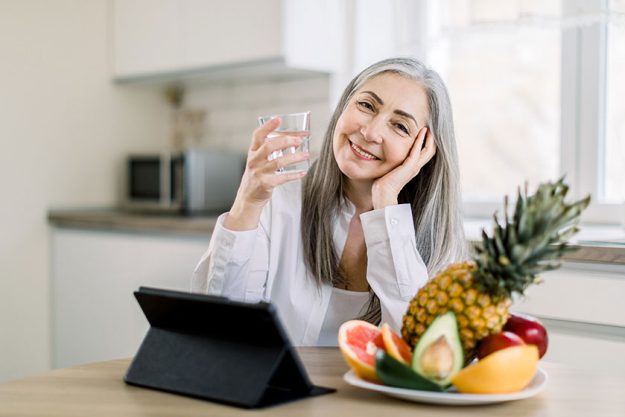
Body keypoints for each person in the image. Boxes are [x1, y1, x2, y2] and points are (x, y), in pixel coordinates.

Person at [192, 57, 467, 346]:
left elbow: (420, 349)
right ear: (343, 107)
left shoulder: (441, 242)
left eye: (400, 126)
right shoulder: (281, 200)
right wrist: (247, 204)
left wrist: (387, 204)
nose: (370, 132)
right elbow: (220, 324)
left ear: (424, 150)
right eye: (366, 105)